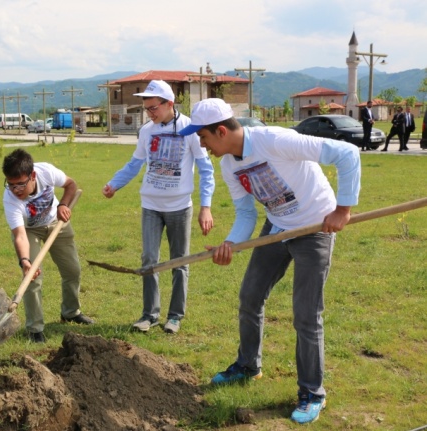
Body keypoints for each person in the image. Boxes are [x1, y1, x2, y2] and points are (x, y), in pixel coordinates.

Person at [178, 98, 361, 424]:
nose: (202, 145)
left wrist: (342, 209)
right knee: (250, 296)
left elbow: (347, 154)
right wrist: (231, 244)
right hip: (276, 228)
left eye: (203, 138)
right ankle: (249, 365)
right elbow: (246, 212)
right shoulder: (229, 164)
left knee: (306, 315)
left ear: (221, 131)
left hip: (315, 227)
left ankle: (312, 392)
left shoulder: (275, 140)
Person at [101, 80, 215, 335]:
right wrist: (114, 184)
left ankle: (174, 316)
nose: (150, 113)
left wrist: (205, 207)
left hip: (179, 206)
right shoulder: (146, 131)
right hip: (150, 205)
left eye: (153, 108)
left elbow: (207, 170)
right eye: (147, 109)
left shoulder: (190, 129)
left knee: (179, 262)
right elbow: (135, 164)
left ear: (169, 104)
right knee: (149, 259)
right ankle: (149, 315)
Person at [2, 148, 94, 343]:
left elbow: (70, 185)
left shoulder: (46, 172)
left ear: (33, 175)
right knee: (32, 278)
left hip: (56, 223)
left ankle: (70, 312)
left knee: (72, 271)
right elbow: (19, 235)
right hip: (30, 230)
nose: (16, 190)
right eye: (11, 185)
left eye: (20, 184)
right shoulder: (10, 199)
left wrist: (63, 205)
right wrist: (25, 261)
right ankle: (34, 328)